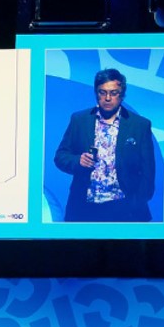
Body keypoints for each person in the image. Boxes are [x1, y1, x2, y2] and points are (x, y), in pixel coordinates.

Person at [53, 67, 155, 223]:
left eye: (114, 93)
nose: (108, 98)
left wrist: (137, 202)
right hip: (84, 207)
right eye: (102, 92)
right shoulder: (79, 120)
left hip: (124, 209)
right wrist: (77, 161)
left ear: (122, 95)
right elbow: (60, 157)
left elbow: (148, 171)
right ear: (96, 93)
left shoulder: (139, 125)